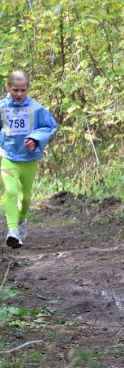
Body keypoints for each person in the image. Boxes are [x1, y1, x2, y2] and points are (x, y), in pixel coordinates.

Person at [1, 70, 58, 249]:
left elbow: (50, 126)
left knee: (24, 198)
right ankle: (12, 231)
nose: (19, 94)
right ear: (7, 88)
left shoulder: (36, 108)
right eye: (15, 90)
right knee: (10, 191)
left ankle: (22, 221)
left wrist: (35, 139)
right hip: (8, 157)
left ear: (28, 89)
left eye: (23, 90)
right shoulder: (2, 107)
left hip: (28, 159)